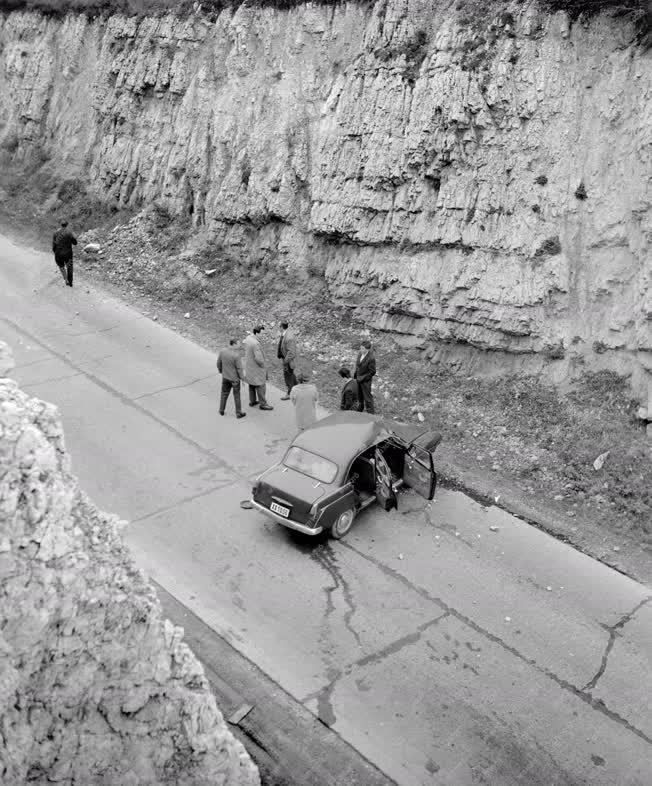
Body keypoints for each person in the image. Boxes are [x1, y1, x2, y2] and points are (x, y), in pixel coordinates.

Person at [243, 325, 273, 411]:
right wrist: (263, 366)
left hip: (249, 366)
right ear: (257, 333)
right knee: (261, 385)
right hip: (256, 368)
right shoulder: (255, 343)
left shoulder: (248, 338)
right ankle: (263, 404)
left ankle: (252, 401)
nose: (263, 335)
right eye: (262, 334)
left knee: (252, 384)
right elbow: (259, 358)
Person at [216, 339, 246, 419]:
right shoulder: (236, 355)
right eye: (238, 344)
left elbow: (218, 363)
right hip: (234, 379)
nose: (240, 346)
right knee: (236, 395)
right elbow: (239, 368)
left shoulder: (223, 351)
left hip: (225, 377)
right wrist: (242, 379)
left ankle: (221, 410)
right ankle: (238, 413)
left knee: (224, 393)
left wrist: (221, 371)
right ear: (234, 344)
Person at [52, 220, 77, 287]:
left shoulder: (55, 233)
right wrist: (74, 237)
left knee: (61, 266)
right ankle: (70, 282)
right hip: (68, 254)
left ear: (61, 225)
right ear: (67, 225)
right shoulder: (69, 233)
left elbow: (54, 245)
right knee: (69, 267)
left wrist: (55, 252)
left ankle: (66, 279)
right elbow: (75, 243)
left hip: (58, 253)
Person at [355, 339, 376, 414]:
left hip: (365, 381)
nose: (360, 349)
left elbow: (372, 371)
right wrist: (356, 375)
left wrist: (363, 378)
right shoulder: (360, 353)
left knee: (367, 398)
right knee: (359, 395)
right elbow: (358, 365)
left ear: (367, 349)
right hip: (358, 378)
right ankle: (360, 410)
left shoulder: (371, 358)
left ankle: (371, 414)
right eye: (360, 348)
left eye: (362, 348)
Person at [277, 320, 297, 400]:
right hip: (285, 359)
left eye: (279, 326)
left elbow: (291, 353)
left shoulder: (289, 337)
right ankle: (298, 390)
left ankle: (290, 393)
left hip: (288, 360)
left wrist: (285, 361)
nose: (279, 328)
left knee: (288, 376)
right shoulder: (284, 334)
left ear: (282, 327)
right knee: (291, 375)